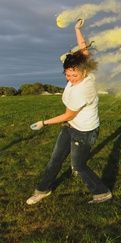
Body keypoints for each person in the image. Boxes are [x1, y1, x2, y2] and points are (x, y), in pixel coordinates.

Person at [27, 18, 112, 205]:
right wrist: (77, 29)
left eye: (74, 75)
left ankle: (102, 193)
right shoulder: (83, 70)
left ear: (84, 73)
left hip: (85, 131)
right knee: (54, 160)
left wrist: (43, 123)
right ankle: (42, 190)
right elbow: (83, 50)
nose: (70, 78)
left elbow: (67, 115)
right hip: (70, 126)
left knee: (78, 165)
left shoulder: (84, 88)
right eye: (67, 74)